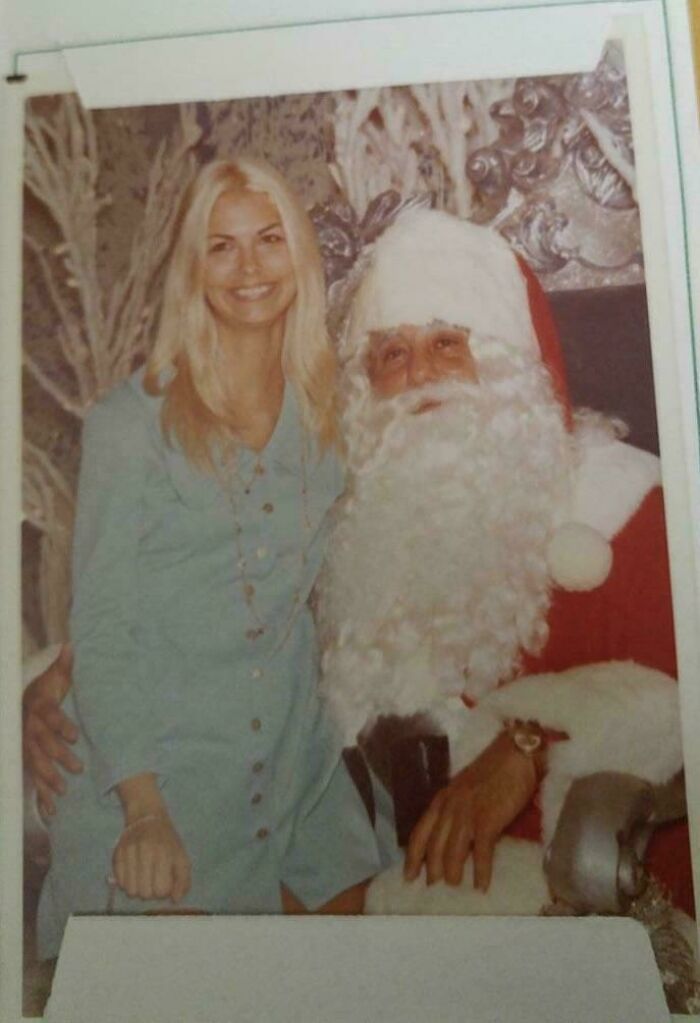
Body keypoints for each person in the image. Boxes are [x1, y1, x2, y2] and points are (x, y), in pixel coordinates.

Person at [27, 156, 382, 960]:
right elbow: (107, 626)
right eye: (220, 247)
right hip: (156, 770)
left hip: (294, 758)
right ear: (192, 269)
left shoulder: (333, 416)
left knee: (346, 973)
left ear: (301, 255)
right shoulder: (127, 424)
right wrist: (145, 807)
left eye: (269, 240)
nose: (249, 268)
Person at [313, 207, 691, 913]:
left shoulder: (634, 510)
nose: (420, 375)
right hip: (433, 900)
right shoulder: (364, 536)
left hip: (626, 910)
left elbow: (679, 705)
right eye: (392, 354)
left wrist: (530, 745)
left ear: (510, 363)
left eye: (446, 344)